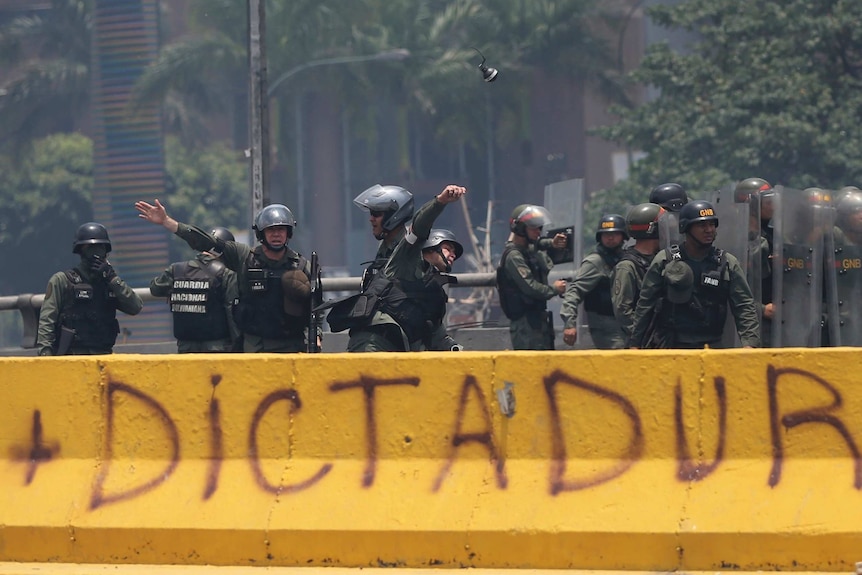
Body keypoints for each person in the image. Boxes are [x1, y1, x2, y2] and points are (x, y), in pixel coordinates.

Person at [135, 199, 316, 353]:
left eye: (281, 230)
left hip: (293, 346)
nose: (276, 235)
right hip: (255, 347)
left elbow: (316, 306)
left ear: (288, 233)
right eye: (271, 230)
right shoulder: (244, 257)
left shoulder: (301, 266)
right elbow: (207, 242)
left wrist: (318, 337)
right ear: (262, 233)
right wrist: (168, 222)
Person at [324, 185, 467, 352]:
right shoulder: (404, 256)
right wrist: (440, 201)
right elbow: (419, 228)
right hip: (374, 345)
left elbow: (435, 332)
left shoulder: (427, 283)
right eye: (447, 248)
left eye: (376, 214)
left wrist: (459, 353)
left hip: (395, 347)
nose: (371, 219)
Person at [629, 200, 760, 349]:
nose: (709, 230)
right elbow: (645, 304)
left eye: (712, 225)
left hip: (712, 344)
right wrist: (635, 343)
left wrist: (750, 344)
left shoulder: (727, 263)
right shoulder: (665, 260)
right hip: (673, 345)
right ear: (686, 227)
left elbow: (744, 305)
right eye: (702, 225)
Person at [36, 222, 143, 356]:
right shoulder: (62, 281)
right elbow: (47, 321)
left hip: (104, 355)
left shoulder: (109, 283)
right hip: (71, 356)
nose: (96, 252)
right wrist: (46, 354)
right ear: (81, 250)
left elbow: (135, 306)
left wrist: (112, 278)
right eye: (90, 247)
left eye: (100, 247)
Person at [149, 226, 241, 353]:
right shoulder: (226, 274)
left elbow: (155, 288)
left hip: (185, 348)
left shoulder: (176, 270)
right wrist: (239, 346)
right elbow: (232, 314)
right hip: (218, 348)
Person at [496, 204, 567, 350]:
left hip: (536, 320)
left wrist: (552, 243)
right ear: (521, 229)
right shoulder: (514, 257)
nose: (538, 232)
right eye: (533, 228)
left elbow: (537, 244)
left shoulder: (527, 249)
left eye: (539, 228)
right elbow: (530, 287)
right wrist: (554, 289)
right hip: (525, 324)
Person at [560, 213, 628, 349]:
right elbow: (574, 291)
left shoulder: (624, 258)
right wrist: (569, 324)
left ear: (623, 236)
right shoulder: (595, 262)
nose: (610, 238)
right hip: (606, 327)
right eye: (606, 234)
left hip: (624, 324)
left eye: (615, 234)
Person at [611, 203, 664, 344]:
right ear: (654, 230)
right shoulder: (627, 267)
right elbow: (622, 309)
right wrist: (642, 336)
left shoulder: (660, 259)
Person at [735, 177, 774, 346]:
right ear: (751, 203)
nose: (773, 205)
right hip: (746, 326)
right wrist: (762, 309)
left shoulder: (774, 237)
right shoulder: (734, 239)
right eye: (768, 201)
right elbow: (732, 288)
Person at [352, 184, 414, 287]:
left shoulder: (409, 247)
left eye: (376, 214)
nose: (371, 219)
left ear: (394, 216)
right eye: (371, 213)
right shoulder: (385, 247)